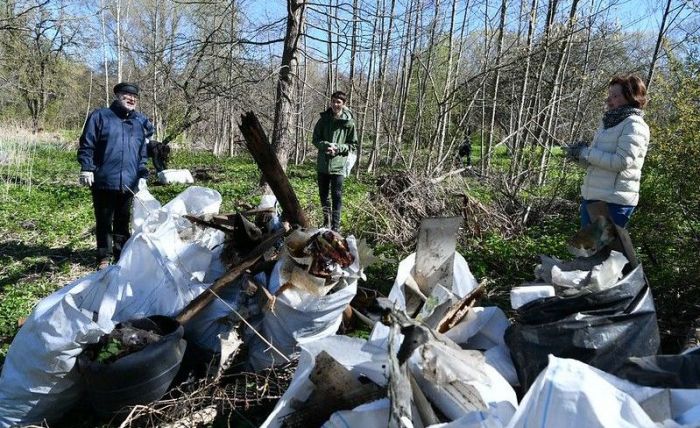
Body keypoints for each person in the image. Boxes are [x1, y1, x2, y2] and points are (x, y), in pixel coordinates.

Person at [77, 82, 151, 269]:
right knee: (104, 221)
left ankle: (121, 257)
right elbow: (87, 144)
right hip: (103, 180)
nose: (132, 98)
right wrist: (87, 167)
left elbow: (141, 152)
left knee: (122, 222)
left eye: (135, 96)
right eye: (127, 94)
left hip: (129, 182)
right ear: (117, 96)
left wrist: (142, 174)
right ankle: (103, 257)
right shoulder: (100, 116)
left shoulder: (138, 122)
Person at [566, 74, 650, 228]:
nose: (609, 100)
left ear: (631, 97)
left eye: (615, 96)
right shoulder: (608, 123)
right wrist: (578, 157)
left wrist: (585, 152)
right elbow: (600, 163)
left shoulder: (634, 125)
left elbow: (621, 162)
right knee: (592, 250)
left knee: (603, 251)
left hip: (613, 202)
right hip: (595, 198)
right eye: (609, 95)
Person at [312, 91, 358, 231]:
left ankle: (336, 227)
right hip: (323, 165)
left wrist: (338, 148)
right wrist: (325, 145)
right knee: (324, 196)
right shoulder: (323, 120)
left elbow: (353, 145)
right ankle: (327, 223)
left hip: (339, 166)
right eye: (333, 101)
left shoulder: (349, 123)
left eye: (338, 102)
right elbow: (315, 139)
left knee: (336, 197)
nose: (335, 104)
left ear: (343, 104)